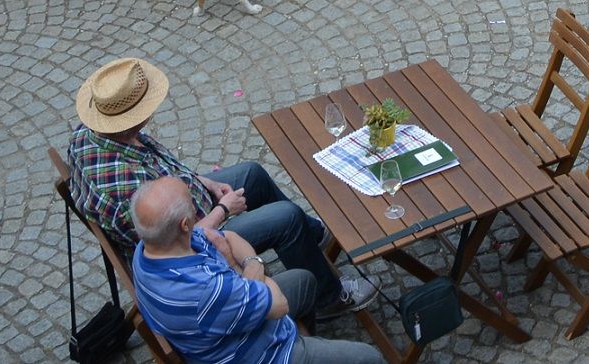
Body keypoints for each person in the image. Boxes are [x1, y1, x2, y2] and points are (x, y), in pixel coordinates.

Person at [67, 57, 375, 317]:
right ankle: (329, 298)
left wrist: (205, 181)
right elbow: (181, 241)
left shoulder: (94, 131)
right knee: (286, 217)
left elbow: (162, 169)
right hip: (190, 245)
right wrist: (223, 210)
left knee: (252, 174)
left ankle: (312, 237)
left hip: (187, 209)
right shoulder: (124, 191)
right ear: (134, 118)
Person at [131, 176, 383, 364]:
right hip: (258, 355)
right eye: (193, 207)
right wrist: (247, 264)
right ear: (185, 224)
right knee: (369, 358)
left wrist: (246, 270)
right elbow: (279, 304)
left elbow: (227, 236)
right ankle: (299, 349)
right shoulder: (208, 290)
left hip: (232, 321)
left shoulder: (149, 246)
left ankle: (305, 338)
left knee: (305, 281)